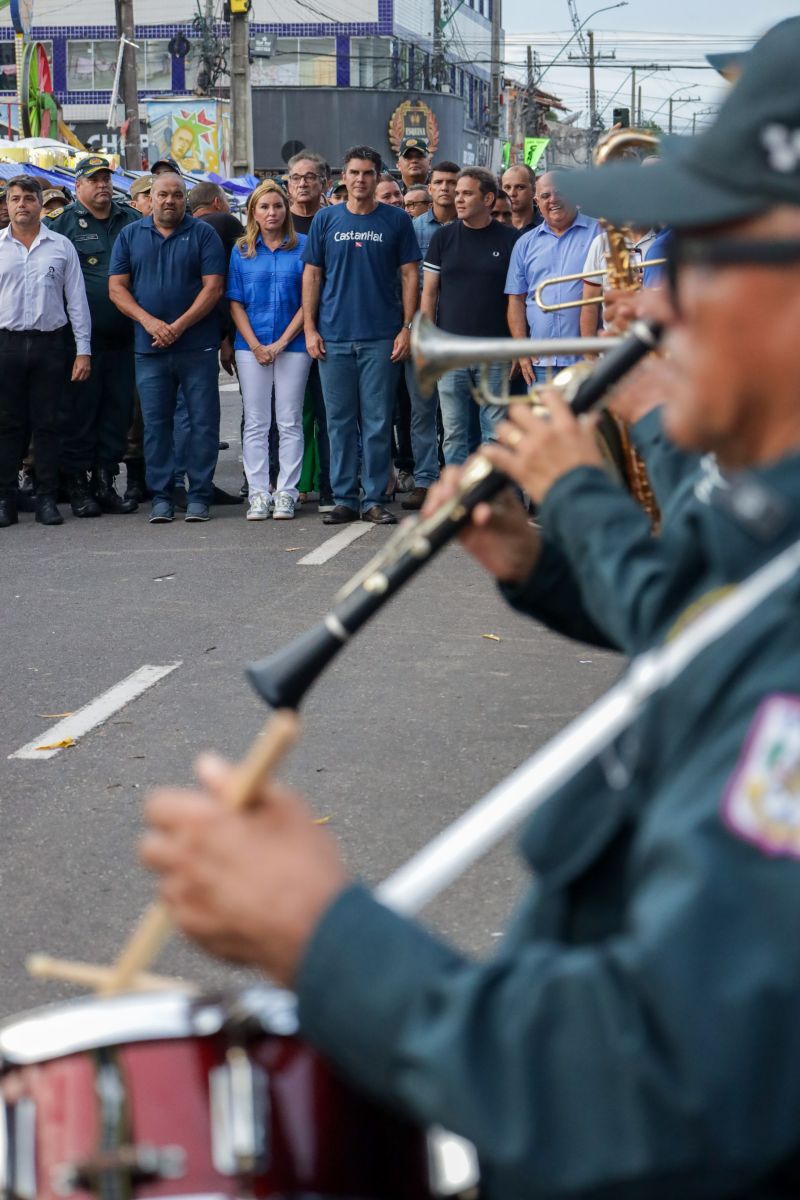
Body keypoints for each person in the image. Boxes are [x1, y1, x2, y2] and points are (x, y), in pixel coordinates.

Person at [143, 21, 800, 1199]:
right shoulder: (764, 518)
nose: (647, 310)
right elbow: (693, 638)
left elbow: (664, 1088)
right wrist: (540, 561)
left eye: (690, 258)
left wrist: (322, 937)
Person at [302, 144, 421, 526]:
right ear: (343, 177)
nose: (360, 180)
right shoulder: (326, 220)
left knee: (376, 422)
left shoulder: (396, 221)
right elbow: (312, 275)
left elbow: (409, 275)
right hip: (333, 336)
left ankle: (373, 498)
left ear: (377, 177)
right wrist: (309, 327)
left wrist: (406, 327)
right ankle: (344, 499)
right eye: (353, 173)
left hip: (381, 337)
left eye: (367, 173)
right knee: (338, 423)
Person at [108, 172, 226, 523]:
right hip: (150, 348)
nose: (169, 201)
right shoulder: (130, 235)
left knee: (203, 423)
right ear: (152, 197)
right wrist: (150, 323)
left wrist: (178, 326)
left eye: (177, 194)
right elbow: (117, 288)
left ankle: (200, 495)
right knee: (156, 424)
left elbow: (214, 287)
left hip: (197, 347)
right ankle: (161, 495)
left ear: (185, 199)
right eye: (163, 195)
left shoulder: (203, 233)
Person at [48, 155, 140, 517]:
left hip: (123, 337)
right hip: (79, 342)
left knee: (117, 413)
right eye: (94, 179)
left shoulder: (130, 219)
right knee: (79, 414)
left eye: (106, 178)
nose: (102, 185)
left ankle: (105, 482)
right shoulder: (61, 225)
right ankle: (78, 486)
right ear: (78, 186)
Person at [0, 176, 91, 528]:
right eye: (14, 199)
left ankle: (47, 498)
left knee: (48, 424)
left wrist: (83, 351)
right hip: (6, 344)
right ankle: (6, 498)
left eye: (28, 199)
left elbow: (77, 302)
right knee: (7, 424)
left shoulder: (61, 246)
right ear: (7, 205)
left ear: (40, 204)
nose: (21, 204)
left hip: (50, 344)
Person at [421, 167, 518, 466]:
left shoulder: (511, 239)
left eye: (466, 193)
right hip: (451, 352)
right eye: (457, 192)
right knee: (454, 435)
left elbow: (516, 299)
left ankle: (492, 503)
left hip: (496, 351)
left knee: (495, 434)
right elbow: (429, 294)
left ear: (488, 198)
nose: (457, 198)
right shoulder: (443, 238)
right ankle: (458, 504)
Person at [228, 181, 311, 521]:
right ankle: (260, 493)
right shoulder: (242, 249)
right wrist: (256, 344)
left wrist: (279, 343)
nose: (272, 212)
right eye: (264, 207)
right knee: (257, 422)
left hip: (293, 345)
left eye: (277, 206)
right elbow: (235, 301)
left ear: (286, 210)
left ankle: (286, 492)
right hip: (251, 346)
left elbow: (309, 301)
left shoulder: (303, 246)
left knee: (290, 420)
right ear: (253, 213)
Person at [505, 172, 599, 385]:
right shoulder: (525, 244)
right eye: (545, 196)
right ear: (536, 202)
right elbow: (516, 300)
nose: (553, 200)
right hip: (540, 363)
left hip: (589, 360)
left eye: (560, 193)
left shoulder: (600, 233)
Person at [286, 152, 334, 512]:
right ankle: (291, 483)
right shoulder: (273, 220)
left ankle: (332, 487)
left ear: (324, 183)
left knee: (328, 413)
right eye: (296, 177)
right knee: (288, 414)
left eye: (310, 177)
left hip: (328, 332)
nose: (303, 183)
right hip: (281, 338)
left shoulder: (334, 221)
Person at [578, 224, 657, 340]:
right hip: (613, 344)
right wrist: (590, 355)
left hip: (655, 343)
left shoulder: (662, 242)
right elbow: (589, 304)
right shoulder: (601, 242)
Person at [501, 163, 541, 233]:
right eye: (507, 187)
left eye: (520, 187)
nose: (512, 193)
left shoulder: (549, 227)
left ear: (534, 190)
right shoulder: (493, 227)